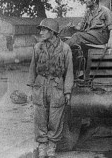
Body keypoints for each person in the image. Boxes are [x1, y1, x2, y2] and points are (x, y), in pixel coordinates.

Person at [27, 18, 74, 158]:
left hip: (57, 85)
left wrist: (67, 92)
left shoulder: (65, 48)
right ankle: (42, 146)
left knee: (55, 118)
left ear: (52, 32)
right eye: (40, 30)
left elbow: (69, 72)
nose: (41, 32)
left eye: (44, 30)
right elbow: (32, 68)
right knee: (40, 117)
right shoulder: (37, 47)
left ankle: (52, 147)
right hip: (40, 84)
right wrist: (31, 89)